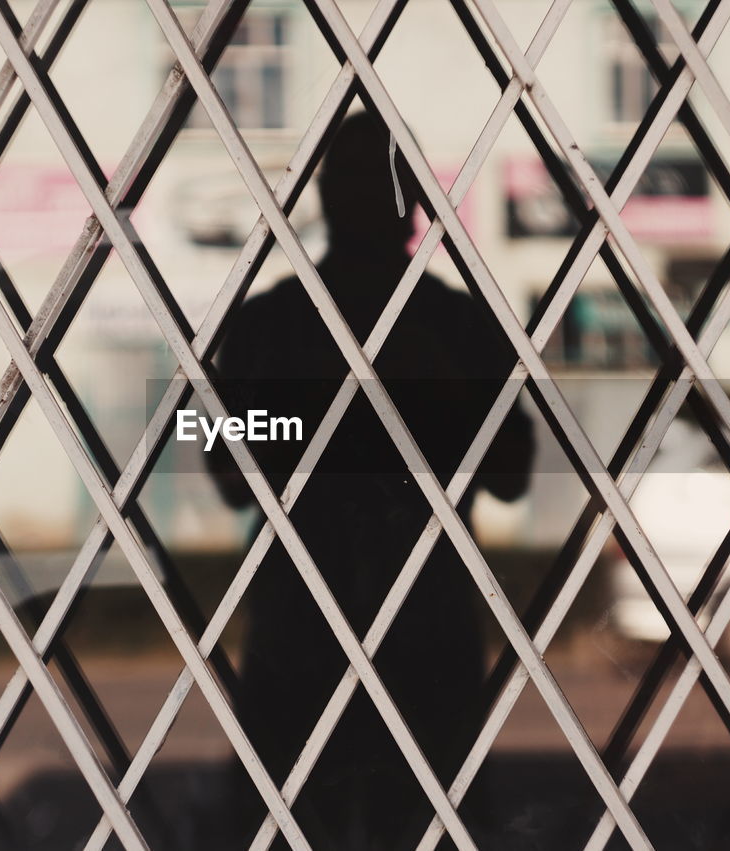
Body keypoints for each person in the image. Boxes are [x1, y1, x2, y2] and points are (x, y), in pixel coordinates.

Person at [208, 107, 534, 849]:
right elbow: (229, 467)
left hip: (379, 624)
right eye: (348, 180)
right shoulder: (286, 325)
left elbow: (511, 468)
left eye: (370, 182)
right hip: (340, 622)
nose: (359, 200)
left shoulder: (446, 326)